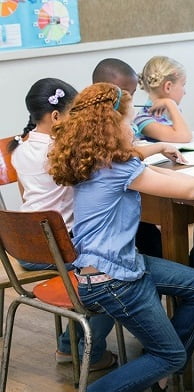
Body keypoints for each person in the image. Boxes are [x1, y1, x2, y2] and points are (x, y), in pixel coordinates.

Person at [48, 82, 194, 392]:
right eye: (128, 121)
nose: (132, 127)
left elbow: (133, 156)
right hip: (114, 281)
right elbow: (190, 188)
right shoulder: (119, 168)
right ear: (111, 127)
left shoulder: (92, 158)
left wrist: (157, 148)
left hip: (111, 268)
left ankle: (160, 366)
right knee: (170, 354)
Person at [9, 78, 118, 372]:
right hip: (57, 247)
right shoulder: (61, 151)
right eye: (73, 114)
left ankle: (69, 345)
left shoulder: (19, 148)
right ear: (56, 117)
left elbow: (27, 196)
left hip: (25, 247)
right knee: (115, 275)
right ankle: (87, 352)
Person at [93, 57, 164, 259]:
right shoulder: (98, 136)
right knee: (149, 235)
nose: (131, 101)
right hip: (108, 231)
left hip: (114, 219)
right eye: (126, 95)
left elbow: (128, 153)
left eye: (132, 95)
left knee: (150, 234)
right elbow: (123, 159)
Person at [134, 55, 192, 143]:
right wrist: (170, 104)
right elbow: (184, 137)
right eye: (183, 85)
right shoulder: (144, 120)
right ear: (168, 87)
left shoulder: (170, 111)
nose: (185, 92)